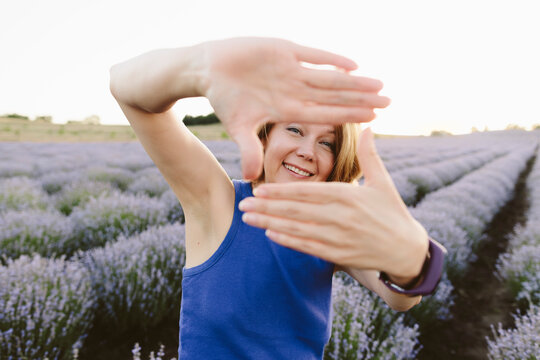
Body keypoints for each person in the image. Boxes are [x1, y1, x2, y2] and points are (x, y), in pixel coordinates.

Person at [110, 37, 445, 359]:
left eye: (326, 143)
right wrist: (200, 69)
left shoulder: (327, 227)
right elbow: (125, 89)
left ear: (337, 161)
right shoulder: (217, 201)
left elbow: (400, 298)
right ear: (266, 136)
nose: (306, 152)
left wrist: (413, 263)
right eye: (295, 130)